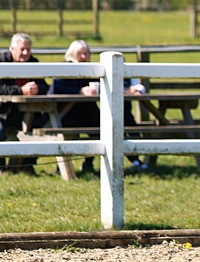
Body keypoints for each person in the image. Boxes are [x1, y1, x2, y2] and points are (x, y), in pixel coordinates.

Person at [50, 40, 148, 174]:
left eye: (86, 54)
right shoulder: (65, 68)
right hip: (65, 112)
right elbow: (56, 88)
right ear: (72, 54)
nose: (84, 57)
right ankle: (61, 168)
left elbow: (107, 84)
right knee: (70, 131)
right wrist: (79, 91)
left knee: (102, 127)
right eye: (80, 54)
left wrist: (127, 90)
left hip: (87, 110)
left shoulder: (93, 69)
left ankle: (89, 163)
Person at [0, 33, 49, 173]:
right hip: (3, 112)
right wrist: (21, 90)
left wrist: (37, 89)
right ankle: (2, 167)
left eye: (28, 49)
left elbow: (45, 86)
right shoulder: (2, 62)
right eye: (22, 49)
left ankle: (26, 165)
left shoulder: (33, 62)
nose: (26, 53)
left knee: (46, 129)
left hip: (28, 113)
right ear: (12, 49)